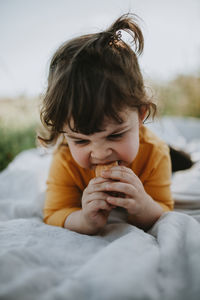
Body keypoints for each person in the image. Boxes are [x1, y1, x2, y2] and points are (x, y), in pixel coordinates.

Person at [39, 13, 174, 235]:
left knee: (175, 159)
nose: (100, 154)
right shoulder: (65, 159)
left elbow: (164, 208)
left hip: (155, 156)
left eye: (115, 135)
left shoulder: (154, 154)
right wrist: (84, 220)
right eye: (81, 140)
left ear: (140, 115)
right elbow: (54, 212)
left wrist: (144, 206)